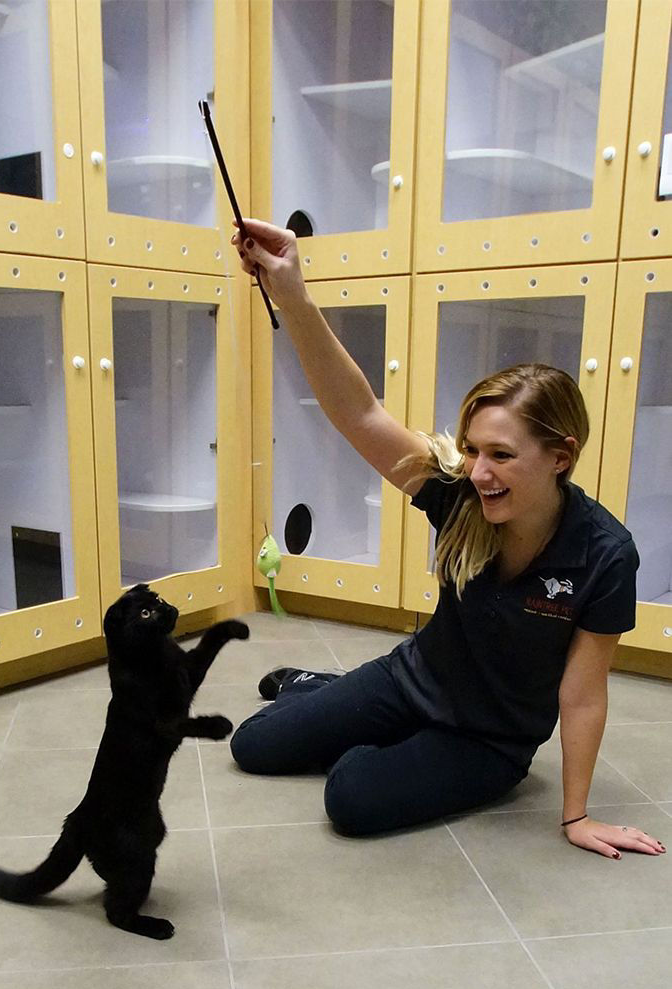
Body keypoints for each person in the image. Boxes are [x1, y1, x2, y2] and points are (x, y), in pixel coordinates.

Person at [228, 218, 666, 861]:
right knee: (253, 747)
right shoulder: (462, 494)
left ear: (561, 457)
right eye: (471, 450)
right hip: (414, 679)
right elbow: (360, 413)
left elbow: (582, 693)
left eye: (501, 455)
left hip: (490, 739)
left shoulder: (605, 554)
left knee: (350, 794)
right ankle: (319, 687)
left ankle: (347, 712)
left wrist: (577, 816)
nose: (479, 472)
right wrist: (293, 295)